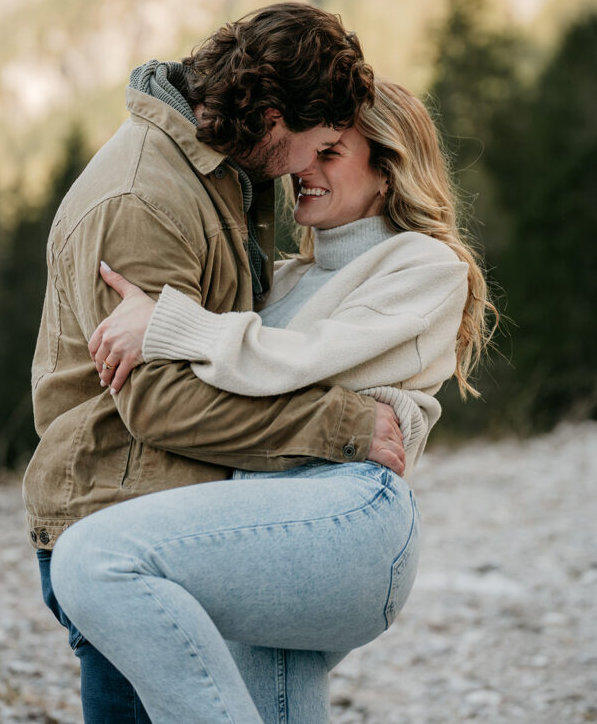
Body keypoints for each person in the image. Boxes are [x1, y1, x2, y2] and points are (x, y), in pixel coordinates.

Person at [50, 79, 495, 724]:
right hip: (263, 514)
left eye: (330, 152)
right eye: (306, 150)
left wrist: (171, 324)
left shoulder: (425, 266)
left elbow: (299, 359)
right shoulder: (285, 278)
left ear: (388, 170)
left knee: (94, 559)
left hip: (347, 512)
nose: (303, 168)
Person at [23, 2, 406, 724]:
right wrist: (339, 427)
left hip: (169, 520)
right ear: (273, 119)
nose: (308, 168)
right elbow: (158, 401)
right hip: (117, 525)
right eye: (318, 144)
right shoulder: (147, 197)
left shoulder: (220, 173)